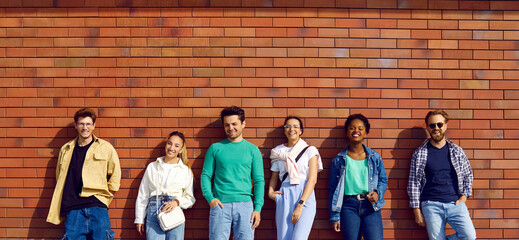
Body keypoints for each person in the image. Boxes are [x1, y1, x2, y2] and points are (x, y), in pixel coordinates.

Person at [47, 108, 121, 239]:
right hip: (73, 209)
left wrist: (104, 198)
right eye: (81, 124)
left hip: (97, 207)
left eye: (88, 124)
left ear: (94, 125)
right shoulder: (66, 149)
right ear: (76, 125)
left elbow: (115, 176)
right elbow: (60, 177)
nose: (85, 127)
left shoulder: (105, 148)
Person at [408, 110, 476, 240]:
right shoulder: (420, 153)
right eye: (432, 125)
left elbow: (468, 175)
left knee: (469, 236)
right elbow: (414, 183)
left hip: (455, 203)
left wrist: (464, 197)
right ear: (428, 127)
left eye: (439, 124)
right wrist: (416, 210)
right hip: (431, 204)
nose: (436, 128)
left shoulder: (456, 151)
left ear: (445, 125)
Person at [201, 106, 265, 240]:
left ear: (243, 124)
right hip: (220, 204)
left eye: (234, 124)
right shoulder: (215, 148)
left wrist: (258, 208)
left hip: (246, 205)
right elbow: (205, 176)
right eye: (227, 125)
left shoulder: (253, 150)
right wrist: (210, 198)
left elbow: (259, 181)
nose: (231, 128)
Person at [328, 113, 388, 240]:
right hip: (349, 207)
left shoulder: (375, 157)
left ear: (366, 132)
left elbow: (383, 180)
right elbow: (333, 189)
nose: (356, 131)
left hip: (371, 206)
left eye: (360, 128)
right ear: (346, 132)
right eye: (352, 128)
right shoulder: (338, 160)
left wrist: (378, 193)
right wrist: (335, 216)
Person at [268, 116, 322, 240]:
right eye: (288, 126)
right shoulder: (278, 151)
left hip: (305, 195)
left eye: (295, 126)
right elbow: (274, 176)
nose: (291, 129)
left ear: (301, 130)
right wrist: (271, 193)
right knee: (284, 237)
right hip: (285, 194)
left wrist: (300, 204)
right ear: (284, 130)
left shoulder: (310, 150)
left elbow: (312, 179)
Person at [135, 131, 195, 240]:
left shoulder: (185, 170)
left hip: (174, 212)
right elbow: (143, 194)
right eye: (169, 143)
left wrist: (177, 202)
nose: (172, 148)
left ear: (181, 150)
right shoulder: (152, 167)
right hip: (154, 211)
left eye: (176, 146)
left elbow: (190, 198)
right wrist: (139, 218)